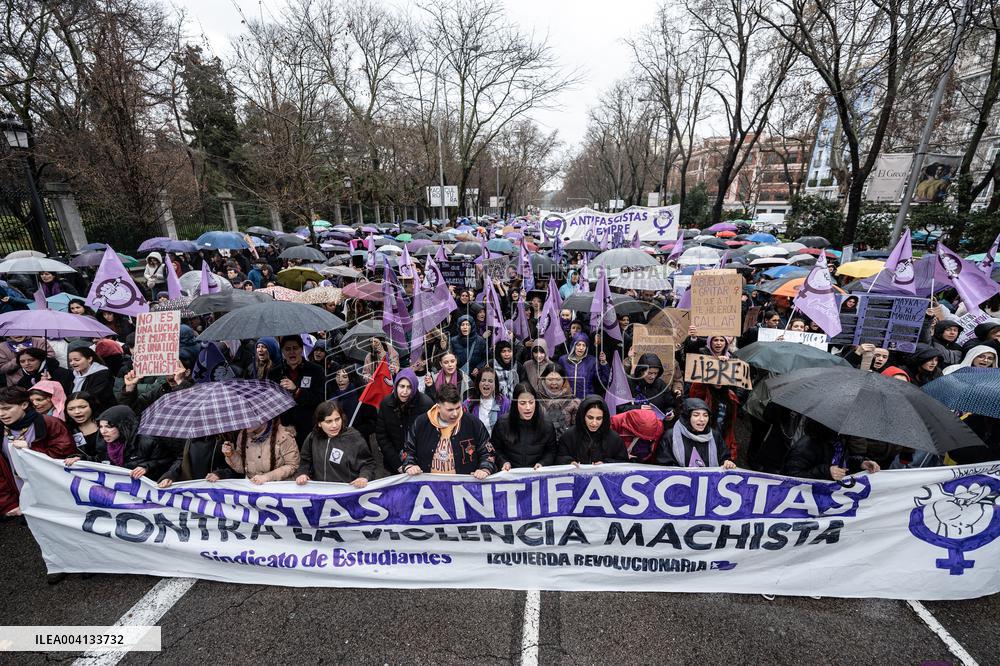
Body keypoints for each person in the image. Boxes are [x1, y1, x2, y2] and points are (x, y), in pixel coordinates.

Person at [0, 386, 75, 517]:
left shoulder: (50, 423)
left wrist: (30, 450)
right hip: (21, 498)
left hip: (54, 496)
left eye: (7, 408)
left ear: (24, 404)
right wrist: (9, 503)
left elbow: (66, 455)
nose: (1, 414)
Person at [402, 383, 495, 478]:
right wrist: (410, 465)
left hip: (462, 488)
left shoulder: (473, 423)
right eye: (450, 410)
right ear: (438, 408)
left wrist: (485, 468)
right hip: (429, 487)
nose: (455, 414)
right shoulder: (421, 423)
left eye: (458, 408)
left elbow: (487, 451)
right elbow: (408, 449)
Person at [65, 405, 175, 480]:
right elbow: (101, 461)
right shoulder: (103, 442)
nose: (103, 431)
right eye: (101, 427)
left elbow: (167, 462)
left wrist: (146, 467)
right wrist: (81, 459)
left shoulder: (148, 441)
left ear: (123, 426)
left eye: (108, 427)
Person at [296, 400, 374, 486]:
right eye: (328, 421)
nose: (334, 425)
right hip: (321, 491)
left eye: (337, 419)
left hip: (347, 491)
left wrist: (364, 477)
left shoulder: (353, 437)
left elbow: (368, 463)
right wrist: (303, 473)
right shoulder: (313, 437)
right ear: (319, 423)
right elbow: (305, 460)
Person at [268, 336, 325, 446]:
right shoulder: (274, 373)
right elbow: (271, 403)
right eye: (287, 349)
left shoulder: (316, 370)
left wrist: (297, 390)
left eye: (295, 348)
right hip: (283, 429)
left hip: (308, 429)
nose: (292, 352)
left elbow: (320, 399)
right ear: (282, 351)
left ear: (301, 349)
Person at [376, 369, 433, 474]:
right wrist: (398, 464)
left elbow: (430, 437)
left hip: (419, 465)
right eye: (402, 386)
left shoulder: (426, 404)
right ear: (396, 386)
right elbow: (382, 436)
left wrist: (413, 463)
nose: (405, 391)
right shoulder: (386, 403)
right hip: (394, 464)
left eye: (409, 387)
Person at [783, 420, 881, 481]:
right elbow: (790, 477)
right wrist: (827, 472)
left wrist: (861, 463)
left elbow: (841, 462)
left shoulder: (839, 440)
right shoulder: (805, 447)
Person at [209, 418, 299, 484]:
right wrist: (231, 455)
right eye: (242, 417)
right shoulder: (243, 435)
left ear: (263, 416)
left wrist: (266, 477)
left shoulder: (283, 436)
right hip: (254, 487)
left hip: (279, 488)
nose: (245, 421)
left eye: (249, 418)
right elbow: (242, 468)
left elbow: (292, 465)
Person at [491, 382, 557, 471]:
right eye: (522, 403)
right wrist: (503, 462)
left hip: (536, 476)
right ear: (515, 404)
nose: (528, 407)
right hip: (510, 477)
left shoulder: (547, 425)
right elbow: (495, 449)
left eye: (531, 402)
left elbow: (551, 451)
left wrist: (543, 463)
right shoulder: (502, 423)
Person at [658, 398, 736, 468]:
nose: (702, 419)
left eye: (705, 415)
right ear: (687, 417)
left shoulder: (715, 436)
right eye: (696, 415)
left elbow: (724, 458)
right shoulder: (670, 436)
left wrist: (727, 463)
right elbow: (664, 466)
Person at [556, 395, 628, 466]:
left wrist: (606, 464)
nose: (594, 423)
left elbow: (623, 462)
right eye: (590, 418)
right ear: (583, 415)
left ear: (604, 418)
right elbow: (558, 457)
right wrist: (569, 462)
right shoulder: (569, 436)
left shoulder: (614, 438)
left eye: (599, 418)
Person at [462, 366, 509, 435]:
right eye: (483, 380)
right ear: (478, 383)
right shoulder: (467, 403)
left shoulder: (504, 402)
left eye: (490, 381)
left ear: (495, 384)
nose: (486, 384)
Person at [67, 346, 116, 413]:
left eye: (77, 360)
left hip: (101, 411)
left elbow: (95, 395)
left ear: (89, 359)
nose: (72, 363)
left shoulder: (102, 373)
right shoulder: (74, 374)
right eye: (70, 360)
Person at [559, 332, 601, 399]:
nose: (581, 348)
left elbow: (601, 381)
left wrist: (604, 364)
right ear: (573, 345)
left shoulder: (592, 361)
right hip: (567, 399)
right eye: (578, 345)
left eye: (584, 345)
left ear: (587, 347)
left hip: (585, 400)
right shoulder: (563, 360)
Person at [65, 392, 102, 457]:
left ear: (92, 406)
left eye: (82, 407)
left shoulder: (106, 425)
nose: (77, 412)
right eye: (71, 409)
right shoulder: (65, 429)